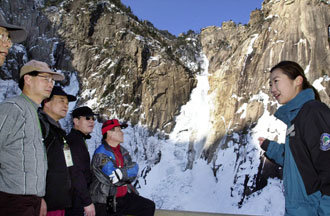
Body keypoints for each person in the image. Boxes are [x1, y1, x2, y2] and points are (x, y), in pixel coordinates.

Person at [258, 61, 330, 215]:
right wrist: (271, 148)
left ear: (298, 81)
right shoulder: (296, 119)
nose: (272, 89)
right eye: (270, 84)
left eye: (276, 81)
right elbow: (298, 161)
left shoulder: (312, 112)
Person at [0, 59, 64, 216]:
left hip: (31, 200)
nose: (50, 84)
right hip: (12, 199)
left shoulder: (35, 112)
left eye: (52, 80)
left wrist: (39, 197)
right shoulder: (13, 108)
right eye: (45, 78)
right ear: (28, 79)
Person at [90, 119, 155, 216]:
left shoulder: (122, 151)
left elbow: (134, 169)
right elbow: (112, 176)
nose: (122, 133)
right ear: (109, 133)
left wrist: (123, 174)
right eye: (119, 130)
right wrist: (126, 174)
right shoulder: (101, 154)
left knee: (148, 206)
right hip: (107, 199)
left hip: (123, 197)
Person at [39, 86, 77, 216]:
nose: (66, 105)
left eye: (67, 103)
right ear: (46, 102)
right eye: (61, 100)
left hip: (58, 201)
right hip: (44, 204)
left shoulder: (57, 130)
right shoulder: (40, 126)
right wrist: (38, 197)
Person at [66, 106, 97, 216]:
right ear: (76, 121)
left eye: (93, 118)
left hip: (76, 198)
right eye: (87, 118)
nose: (92, 121)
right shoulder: (74, 142)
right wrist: (87, 201)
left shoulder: (78, 139)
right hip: (74, 200)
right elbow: (75, 173)